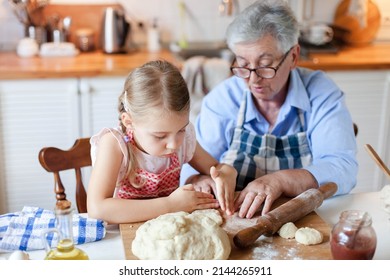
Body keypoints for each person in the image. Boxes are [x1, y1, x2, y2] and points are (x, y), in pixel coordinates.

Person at [181, 0, 358, 219]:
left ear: (293, 56)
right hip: (236, 220)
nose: (253, 80)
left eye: (265, 65)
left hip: (302, 217)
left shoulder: (321, 93)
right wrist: (200, 180)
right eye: (243, 65)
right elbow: (192, 161)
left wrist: (279, 181)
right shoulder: (224, 99)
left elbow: (343, 168)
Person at [87, 60, 237, 224]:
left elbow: (216, 169)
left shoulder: (184, 140)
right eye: (160, 136)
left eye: (181, 130)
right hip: (123, 235)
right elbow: (97, 209)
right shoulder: (115, 145)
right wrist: (170, 204)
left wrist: (227, 173)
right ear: (129, 122)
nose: (174, 144)